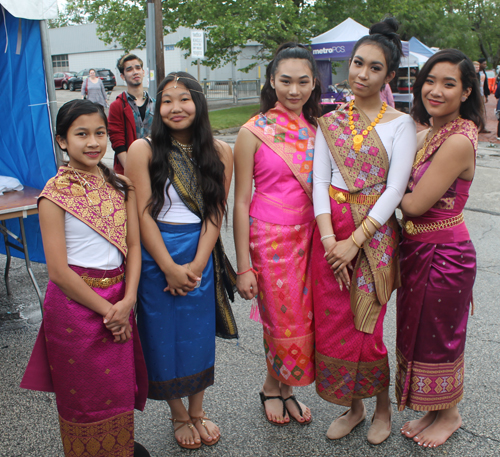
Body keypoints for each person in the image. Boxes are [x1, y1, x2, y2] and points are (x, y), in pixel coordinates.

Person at [20, 100, 150, 457]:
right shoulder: (54, 195)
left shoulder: (122, 186)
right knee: (84, 393)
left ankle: (119, 447)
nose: (93, 142)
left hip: (120, 298)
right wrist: (112, 313)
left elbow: (134, 247)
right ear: (62, 141)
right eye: (81, 134)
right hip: (75, 309)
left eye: (100, 133)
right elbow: (59, 272)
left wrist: (128, 301)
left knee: (118, 387)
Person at [311, 18, 417, 444]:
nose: (362, 74)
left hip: (373, 237)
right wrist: (329, 241)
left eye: (375, 68)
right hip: (331, 235)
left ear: (389, 76)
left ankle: (382, 409)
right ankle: (352, 407)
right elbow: (319, 182)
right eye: (357, 63)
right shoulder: (331, 121)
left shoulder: (400, 124)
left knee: (366, 326)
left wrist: (356, 239)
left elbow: (395, 189)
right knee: (335, 324)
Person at [125, 72, 236, 450]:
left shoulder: (221, 151)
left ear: (199, 102)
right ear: (158, 106)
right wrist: (169, 267)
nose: (176, 108)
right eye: (167, 100)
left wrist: (199, 262)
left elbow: (215, 212)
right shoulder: (144, 150)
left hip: (200, 254)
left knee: (197, 334)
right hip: (157, 253)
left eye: (184, 99)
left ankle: (198, 410)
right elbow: (141, 213)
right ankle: (177, 413)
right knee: (162, 334)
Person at [396, 49, 483, 448]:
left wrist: (381, 195)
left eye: (449, 83)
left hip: (445, 255)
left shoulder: (459, 140)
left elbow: (413, 204)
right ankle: (433, 408)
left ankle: (449, 413)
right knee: (421, 334)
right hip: (417, 249)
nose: (435, 89)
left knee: (439, 335)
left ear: (466, 91)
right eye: (430, 80)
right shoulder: (427, 132)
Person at [233, 42, 322, 426]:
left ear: (314, 83)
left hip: (312, 237)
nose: (293, 90)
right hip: (269, 240)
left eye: (303, 82)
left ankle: (282, 386)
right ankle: (275, 388)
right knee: (282, 319)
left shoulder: (318, 131)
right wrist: (242, 266)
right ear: (272, 81)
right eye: (285, 81)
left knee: (306, 320)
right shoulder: (253, 131)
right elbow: (239, 202)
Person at [109, 54, 155, 174]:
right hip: (129, 169)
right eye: (129, 69)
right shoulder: (117, 106)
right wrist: (132, 171)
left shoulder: (155, 104)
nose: (135, 72)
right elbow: (117, 142)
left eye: (138, 68)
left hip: (156, 167)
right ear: (122, 76)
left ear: (143, 72)